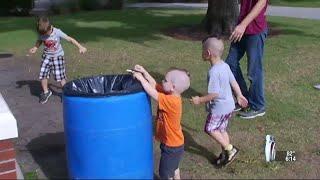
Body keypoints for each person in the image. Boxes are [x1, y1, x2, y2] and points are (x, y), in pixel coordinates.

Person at [191, 37, 248, 167]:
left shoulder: (213, 72)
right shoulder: (225, 65)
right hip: (229, 106)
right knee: (221, 129)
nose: (201, 52)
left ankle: (230, 149)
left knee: (210, 128)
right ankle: (226, 155)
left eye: (202, 50)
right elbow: (234, 82)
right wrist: (239, 95)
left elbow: (214, 94)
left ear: (208, 53)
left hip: (219, 108)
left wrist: (199, 100)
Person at [132, 65, 190, 179]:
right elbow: (154, 84)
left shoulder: (172, 101)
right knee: (174, 168)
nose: (162, 81)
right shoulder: (169, 93)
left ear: (172, 86)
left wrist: (141, 79)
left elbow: (152, 92)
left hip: (171, 146)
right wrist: (144, 72)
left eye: (165, 80)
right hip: (175, 144)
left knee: (165, 174)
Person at [29, 16, 87, 104]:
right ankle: (46, 92)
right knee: (43, 74)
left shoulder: (57, 32)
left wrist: (80, 46)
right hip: (46, 57)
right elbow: (40, 40)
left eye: (46, 34)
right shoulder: (42, 32)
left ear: (51, 27)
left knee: (60, 77)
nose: (45, 35)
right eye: (43, 34)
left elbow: (70, 39)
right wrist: (35, 47)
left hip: (57, 57)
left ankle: (65, 93)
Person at [225, 0, 268, 119]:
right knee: (229, 64)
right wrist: (237, 23)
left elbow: (261, 3)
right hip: (241, 28)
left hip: (255, 30)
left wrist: (243, 25)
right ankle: (244, 99)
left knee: (254, 71)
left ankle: (258, 106)